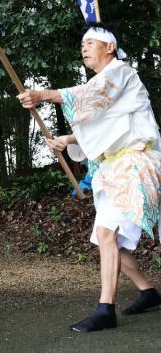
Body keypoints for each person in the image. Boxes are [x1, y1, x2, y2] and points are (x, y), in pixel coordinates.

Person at [17, 22, 161, 333]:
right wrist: (67, 141)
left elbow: (92, 95)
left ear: (110, 48)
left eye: (91, 42)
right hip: (112, 169)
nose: (84, 47)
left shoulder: (122, 73)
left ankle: (105, 309)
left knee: (108, 234)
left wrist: (43, 94)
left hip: (135, 164)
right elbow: (107, 128)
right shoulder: (108, 88)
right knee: (106, 240)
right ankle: (148, 292)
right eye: (82, 43)